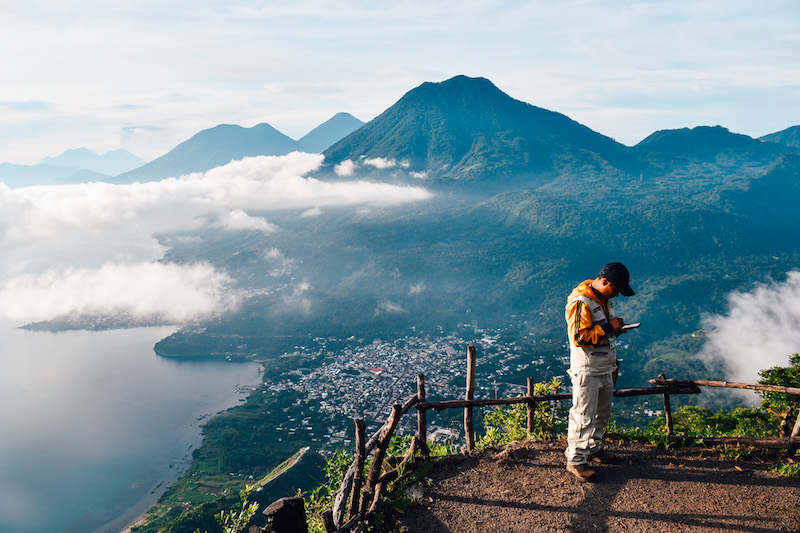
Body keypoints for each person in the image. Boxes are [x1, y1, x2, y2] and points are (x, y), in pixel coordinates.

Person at [564, 262, 635, 481]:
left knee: (601, 413)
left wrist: (615, 331)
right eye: (616, 289)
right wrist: (609, 327)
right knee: (583, 414)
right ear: (605, 282)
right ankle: (575, 460)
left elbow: (599, 334)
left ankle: (593, 447)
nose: (617, 295)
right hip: (588, 368)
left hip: (604, 366)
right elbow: (579, 338)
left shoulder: (602, 299)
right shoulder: (580, 302)